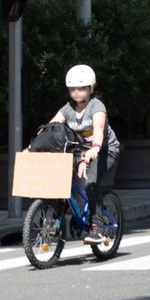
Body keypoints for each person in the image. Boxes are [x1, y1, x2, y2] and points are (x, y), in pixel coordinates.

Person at [49, 64, 121, 244]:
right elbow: (52, 127)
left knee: (91, 182)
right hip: (80, 151)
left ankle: (97, 228)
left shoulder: (97, 106)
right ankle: (57, 222)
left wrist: (95, 147)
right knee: (59, 181)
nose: (76, 92)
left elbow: (99, 127)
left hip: (104, 150)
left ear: (91, 88)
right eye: (72, 89)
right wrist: (33, 146)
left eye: (81, 88)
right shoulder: (67, 108)